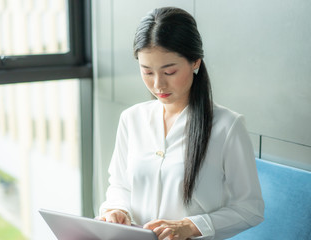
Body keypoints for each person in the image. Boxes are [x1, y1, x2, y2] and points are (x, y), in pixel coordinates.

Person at [98, 7, 264, 240]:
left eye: (170, 72)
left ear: (195, 62)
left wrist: (191, 226)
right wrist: (117, 209)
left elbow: (250, 209)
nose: (158, 85)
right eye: (147, 72)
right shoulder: (131, 119)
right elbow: (120, 185)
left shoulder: (228, 126)